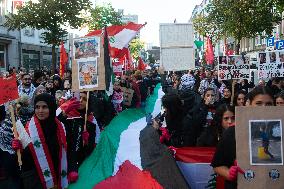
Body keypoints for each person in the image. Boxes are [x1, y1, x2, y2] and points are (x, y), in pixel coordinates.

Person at [211, 86, 274, 189]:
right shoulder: (233, 131)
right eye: (258, 103)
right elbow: (217, 165)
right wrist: (229, 173)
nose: (264, 107)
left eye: (269, 104)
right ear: (249, 104)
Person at [12, 93, 68, 189]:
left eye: (44, 107)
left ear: (51, 108)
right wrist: (19, 148)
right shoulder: (28, 129)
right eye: (37, 107)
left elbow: (69, 152)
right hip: (37, 180)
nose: (40, 111)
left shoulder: (61, 127)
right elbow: (25, 160)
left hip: (59, 174)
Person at [57, 92, 100, 180]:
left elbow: (94, 142)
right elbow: (53, 125)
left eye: (84, 99)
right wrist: (64, 113)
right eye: (79, 97)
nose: (80, 101)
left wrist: (87, 140)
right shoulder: (63, 109)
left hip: (80, 159)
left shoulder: (91, 119)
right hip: (63, 156)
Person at [0, 105, 21, 189]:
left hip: (12, 158)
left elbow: (21, 138)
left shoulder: (11, 121)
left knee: (14, 180)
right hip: (7, 160)